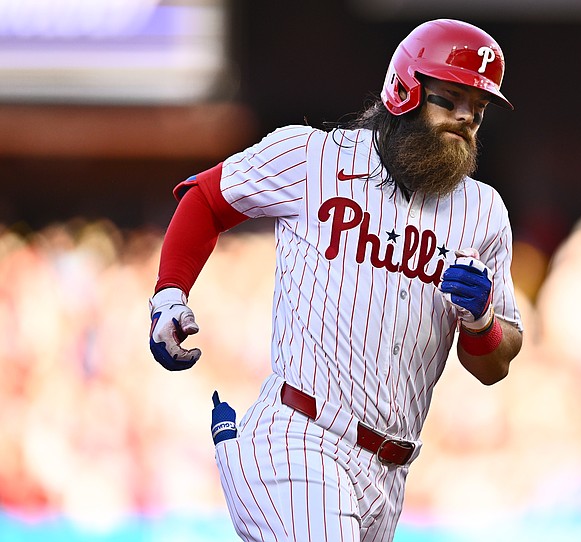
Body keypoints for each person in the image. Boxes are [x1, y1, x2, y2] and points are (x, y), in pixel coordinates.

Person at [148, 18, 523, 542]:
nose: (464, 118)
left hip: (391, 470)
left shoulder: (483, 212)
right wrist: (169, 293)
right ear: (403, 92)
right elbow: (207, 198)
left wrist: (482, 321)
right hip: (301, 437)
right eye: (450, 99)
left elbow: (494, 365)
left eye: (476, 111)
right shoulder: (314, 157)